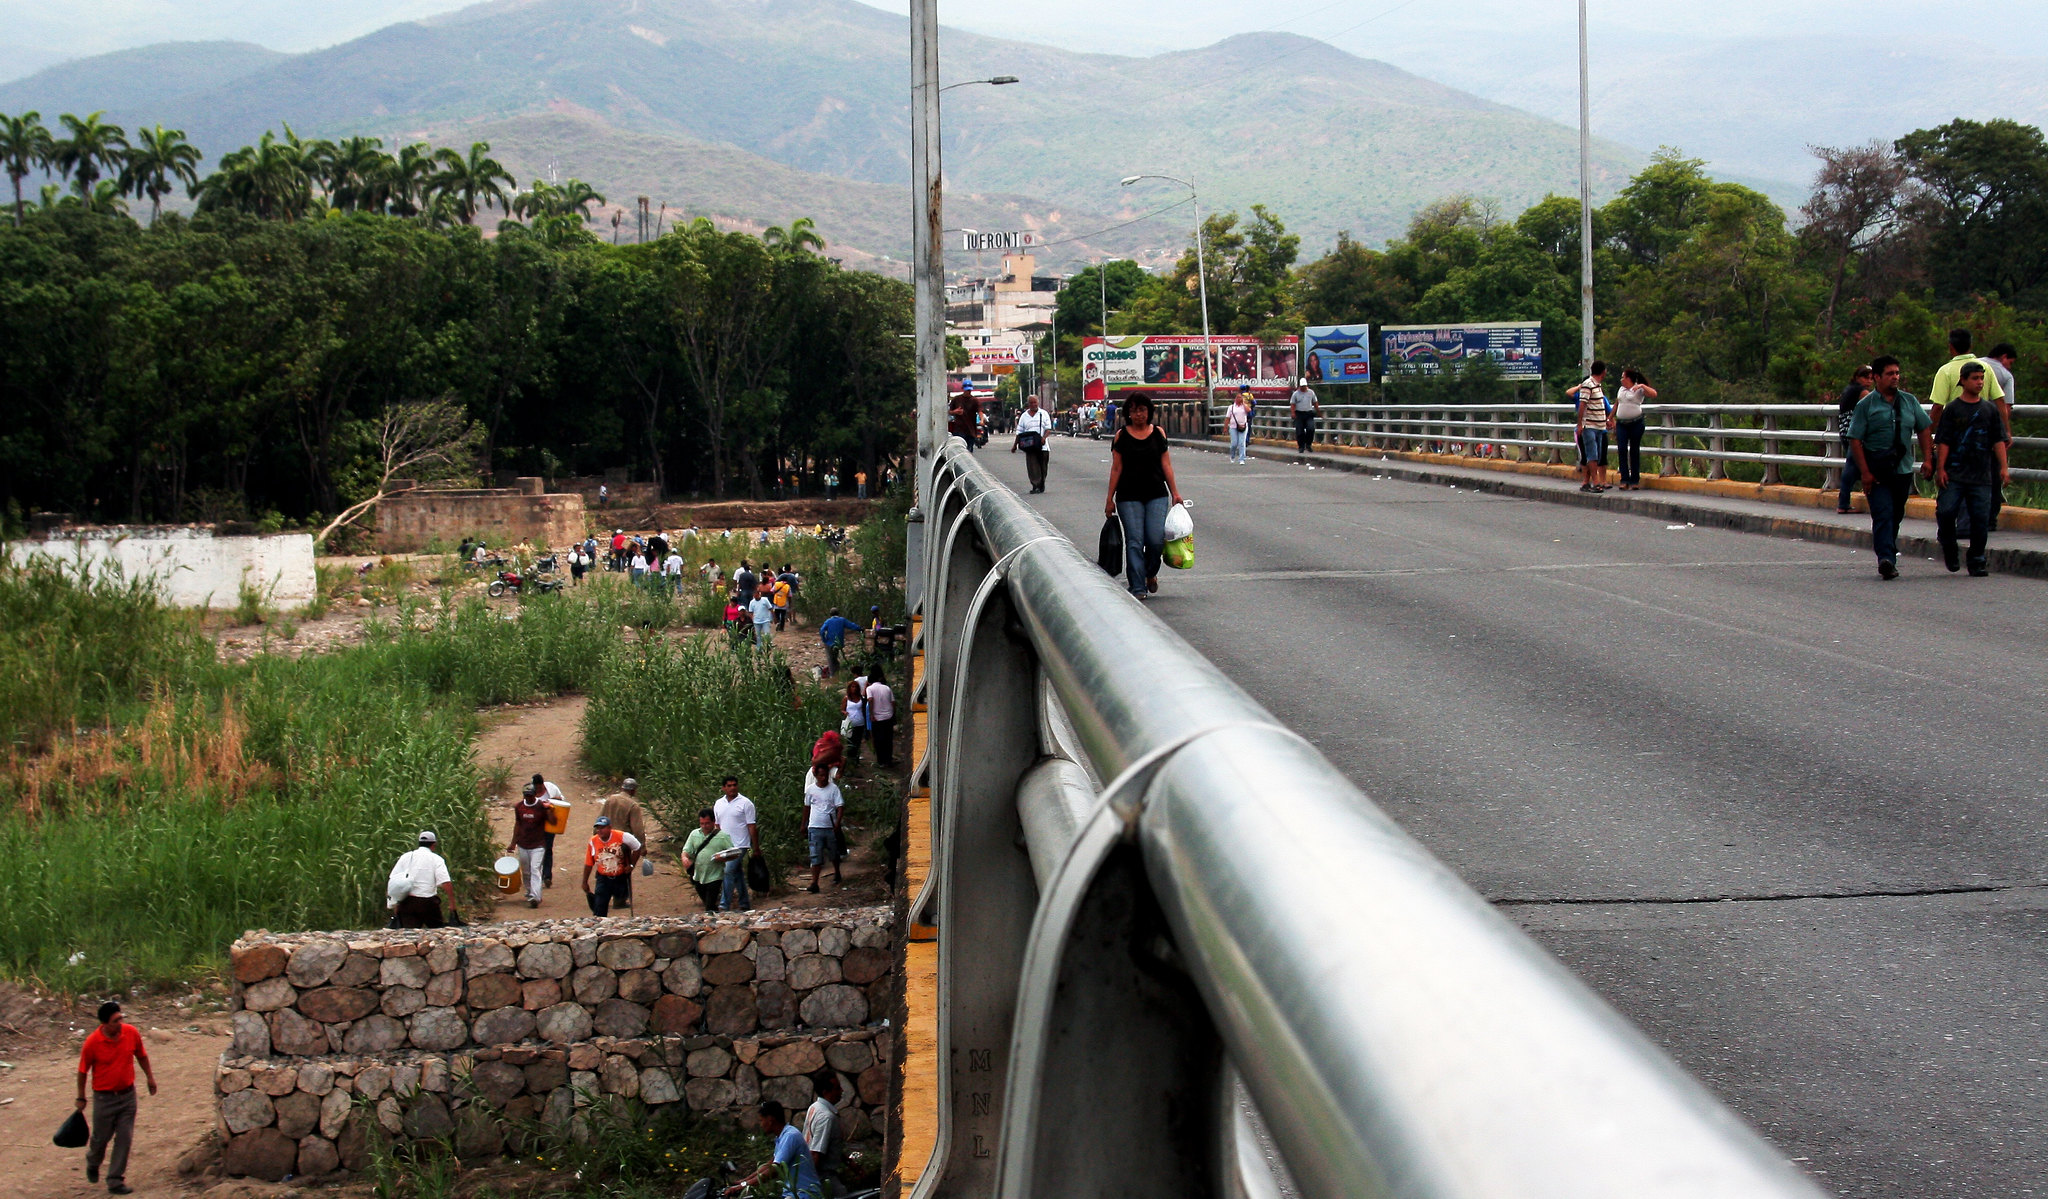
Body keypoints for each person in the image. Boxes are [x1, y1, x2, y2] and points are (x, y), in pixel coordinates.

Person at [1846, 355, 1934, 580]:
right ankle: (1886, 558)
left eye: (1897, 373)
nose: (1895, 377)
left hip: (1902, 470)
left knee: (1896, 514)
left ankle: (1888, 550)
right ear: (1876, 377)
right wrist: (1864, 472)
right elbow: (1855, 439)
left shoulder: (1909, 401)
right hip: (1876, 470)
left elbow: (1924, 428)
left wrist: (1928, 458)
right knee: (1883, 513)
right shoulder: (1866, 405)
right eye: (1889, 374)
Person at [1102, 393, 1185, 600]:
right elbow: (1116, 468)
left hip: (1156, 494)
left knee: (1156, 540)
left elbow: (1166, 464)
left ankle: (1150, 572)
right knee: (1135, 541)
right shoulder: (1122, 435)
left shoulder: (1158, 433)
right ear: (1128, 413)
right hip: (1128, 496)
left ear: (1149, 412)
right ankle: (1138, 586)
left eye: (1142, 410)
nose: (1138, 414)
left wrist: (1175, 492)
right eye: (1133, 410)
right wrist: (1109, 498)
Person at [1933, 362, 2011, 577]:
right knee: (1946, 511)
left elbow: (1998, 440)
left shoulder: (1989, 410)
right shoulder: (1953, 409)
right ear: (1963, 381)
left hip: (1981, 474)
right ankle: (1949, 547)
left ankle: (1977, 560)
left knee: (1980, 518)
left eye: (1981, 378)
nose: (1979, 382)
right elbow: (1944, 441)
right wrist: (1940, 468)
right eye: (1974, 378)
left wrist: (2003, 468)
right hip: (1955, 473)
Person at [76, 999, 155, 1194]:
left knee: (125, 1138)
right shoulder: (92, 1043)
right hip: (104, 1099)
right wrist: (81, 1097)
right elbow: (83, 1071)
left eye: (121, 1018)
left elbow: (142, 1056)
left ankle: (115, 1180)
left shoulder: (131, 1033)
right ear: (104, 1023)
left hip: (128, 1096)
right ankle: (93, 1162)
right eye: (115, 1021)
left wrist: (150, 1078)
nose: (120, 1023)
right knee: (101, 1138)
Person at [726, 1100, 823, 1199]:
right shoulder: (782, 1136)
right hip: (792, 1193)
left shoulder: (790, 1136)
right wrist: (742, 1182)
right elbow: (770, 1164)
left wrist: (742, 1186)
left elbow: (773, 1170)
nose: (760, 1125)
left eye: (761, 1120)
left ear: (770, 1119)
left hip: (804, 1194)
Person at [1926, 328, 2005, 431]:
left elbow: (1938, 407)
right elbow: (2000, 400)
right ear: (1970, 345)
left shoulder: (1945, 371)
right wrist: (2005, 431)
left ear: (1951, 346)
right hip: (1982, 431)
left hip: (1955, 432)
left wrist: (1929, 433)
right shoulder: (1985, 368)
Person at [598, 778, 653, 908]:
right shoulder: (633, 805)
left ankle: (603, 896)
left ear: (622, 788)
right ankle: (620, 899)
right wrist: (642, 846)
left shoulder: (610, 800)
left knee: (606, 867)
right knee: (624, 870)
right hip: (623, 841)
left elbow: (600, 819)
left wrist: (596, 836)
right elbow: (637, 828)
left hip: (606, 839)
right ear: (633, 790)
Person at [387, 831, 454, 928]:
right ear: (433, 845)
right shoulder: (436, 859)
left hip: (407, 903)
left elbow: (393, 881)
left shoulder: (406, 857)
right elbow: (446, 883)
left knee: (409, 934)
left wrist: (396, 904)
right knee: (437, 932)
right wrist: (452, 905)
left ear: (419, 843)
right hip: (428, 904)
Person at [580, 815, 642, 917]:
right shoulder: (593, 841)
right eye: (598, 828)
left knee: (621, 900)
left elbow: (637, 847)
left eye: (602, 828)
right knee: (599, 906)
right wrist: (584, 882)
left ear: (609, 827)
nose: (600, 831)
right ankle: (599, 926)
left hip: (620, 876)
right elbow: (588, 863)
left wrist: (631, 865)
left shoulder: (622, 836)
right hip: (603, 878)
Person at [714, 776, 759, 911]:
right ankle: (744, 903)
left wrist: (756, 847)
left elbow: (751, 826)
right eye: (729, 785)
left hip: (740, 844)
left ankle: (724, 904)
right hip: (725, 845)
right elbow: (717, 825)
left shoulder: (746, 803)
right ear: (724, 788)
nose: (732, 788)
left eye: (734, 785)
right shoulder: (718, 804)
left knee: (728, 871)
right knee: (737, 873)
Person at [1835, 365, 1875, 513]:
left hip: (1845, 429)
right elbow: (1874, 405)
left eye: (1871, 378)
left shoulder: (1849, 389)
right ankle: (1843, 503)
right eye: (1866, 377)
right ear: (1858, 377)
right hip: (1856, 432)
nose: (1869, 381)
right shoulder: (1860, 391)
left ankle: (1845, 501)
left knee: (1854, 465)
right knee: (1853, 465)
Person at [802, 760, 844, 893]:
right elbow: (806, 808)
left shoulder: (833, 789)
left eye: (825, 775)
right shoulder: (810, 790)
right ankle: (815, 882)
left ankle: (837, 872)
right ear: (816, 775)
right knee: (815, 856)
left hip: (830, 827)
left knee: (833, 853)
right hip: (814, 827)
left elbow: (840, 807)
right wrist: (804, 824)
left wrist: (837, 823)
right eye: (821, 775)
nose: (823, 778)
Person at [681, 808, 735, 912]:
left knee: (710, 904)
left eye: (707, 823)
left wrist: (723, 857)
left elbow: (733, 853)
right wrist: (685, 858)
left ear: (713, 822)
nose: (704, 826)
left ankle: (712, 922)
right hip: (698, 875)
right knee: (707, 903)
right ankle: (716, 918)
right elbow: (686, 850)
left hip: (715, 875)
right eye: (702, 823)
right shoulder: (694, 834)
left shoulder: (723, 836)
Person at [1609, 368, 1655, 490]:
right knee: (1622, 449)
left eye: (1623, 377)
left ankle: (1635, 480)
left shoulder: (1638, 389)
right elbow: (1617, 403)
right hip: (1621, 424)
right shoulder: (1621, 389)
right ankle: (1624, 479)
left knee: (1634, 450)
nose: (1621, 379)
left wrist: (1641, 386)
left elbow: (1653, 394)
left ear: (1629, 378)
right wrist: (1610, 417)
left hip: (1636, 423)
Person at [1569, 361, 1612, 492]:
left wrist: (1607, 421)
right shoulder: (1588, 384)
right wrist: (1580, 424)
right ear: (1603, 371)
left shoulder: (1597, 386)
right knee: (1592, 454)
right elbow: (1582, 404)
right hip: (1590, 425)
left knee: (1596, 455)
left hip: (1599, 426)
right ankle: (1596, 482)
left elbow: (1601, 406)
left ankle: (1589, 482)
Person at [508, 782, 550, 908]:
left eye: (531, 795)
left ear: (534, 794)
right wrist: (513, 843)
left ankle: (536, 897)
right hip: (523, 844)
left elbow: (553, 821)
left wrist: (549, 810)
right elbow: (518, 825)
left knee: (535, 869)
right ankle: (530, 891)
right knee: (526, 871)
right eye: (526, 796)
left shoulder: (541, 806)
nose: (529, 798)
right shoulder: (519, 807)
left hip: (538, 844)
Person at [804, 1072, 845, 1193]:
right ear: (825, 1092)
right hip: (823, 1176)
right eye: (837, 1088)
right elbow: (816, 1153)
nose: (841, 1091)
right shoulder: (826, 1117)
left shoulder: (815, 1107)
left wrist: (848, 1162)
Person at [1013, 393, 1053, 492]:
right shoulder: (1024, 416)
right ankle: (1035, 485)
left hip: (1042, 446)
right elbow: (1019, 432)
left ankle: (1041, 483)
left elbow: (1048, 429)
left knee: (1043, 467)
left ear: (1038, 403)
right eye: (1031, 403)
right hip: (1029, 445)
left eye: (1035, 402)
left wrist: (1044, 438)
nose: (1033, 404)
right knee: (1032, 467)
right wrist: (1015, 445)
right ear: (1028, 404)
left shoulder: (1043, 414)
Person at [533, 772, 566, 884]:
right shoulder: (530, 793)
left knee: (547, 849)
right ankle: (537, 874)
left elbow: (561, 801)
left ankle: (547, 876)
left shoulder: (551, 788)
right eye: (536, 788)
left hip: (550, 823)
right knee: (536, 850)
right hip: (536, 825)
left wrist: (553, 800)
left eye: (540, 787)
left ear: (543, 784)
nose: (538, 790)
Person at [865, 664, 897, 767]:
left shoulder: (869, 689)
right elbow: (893, 702)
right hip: (888, 716)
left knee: (879, 740)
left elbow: (870, 700)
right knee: (888, 740)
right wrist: (893, 714)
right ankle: (888, 760)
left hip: (877, 719)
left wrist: (871, 714)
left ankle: (881, 761)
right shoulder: (887, 688)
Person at [818, 607, 859, 679]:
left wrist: (824, 640)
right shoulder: (842, 620)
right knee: (835, 657)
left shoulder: (828, 621)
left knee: (830, 659)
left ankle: (833, 675)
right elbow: (852, 625)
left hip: (829, 642)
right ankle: (837, 672)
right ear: (838, 613)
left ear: (830, 614)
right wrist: (860, 629)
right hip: (839, 643)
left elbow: (822, 631)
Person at [843, 676, 869, 766]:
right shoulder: (846, 698)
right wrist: (845, 712)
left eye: (855, 687)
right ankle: (850, 760)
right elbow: (842, 709)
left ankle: (856, 760)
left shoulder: (861, 698)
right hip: (850, 723)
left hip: (860, 722)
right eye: (852, 687)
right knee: (850, 742)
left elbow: (864, 710)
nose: (854, 689)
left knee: (857, 742)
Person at [1289, 378, 1320, 453]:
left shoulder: (1311, 392)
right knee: (1300, 431)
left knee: (1311, 429)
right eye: (1302, 386)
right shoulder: (1296, 394)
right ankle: (1301, 446)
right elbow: (1292, 404)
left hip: (1308, 413)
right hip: (1299, 414)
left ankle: (1308, 444)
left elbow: (1315, 402)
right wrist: (1293, 413)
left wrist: (1318, 411)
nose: (1303, 388)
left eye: (1304, 386)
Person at [949, 386, 981, 453]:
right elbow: (948, 412)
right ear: (963, 389)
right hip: (959, 430)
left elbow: (980, 411)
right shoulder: (956, 399)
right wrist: (955, 412)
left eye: (969, 390)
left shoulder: (974, 400)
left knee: (969, 451)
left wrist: (982, 419)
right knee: (959, 451)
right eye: (967, 390)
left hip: (971, 430)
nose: (968, 392)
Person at [1226, 387, 1253, 464]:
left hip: (1243, 426)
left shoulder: (1244, 406)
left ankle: (1242, 459)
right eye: (1238, 397)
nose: (1239, 399)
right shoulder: (1231, 407)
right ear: (1235, 399)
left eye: (1240, 397)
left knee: (1242, 443)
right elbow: (1227, 418)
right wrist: (1225, 427)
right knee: (1234, 443)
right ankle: (1232, 455)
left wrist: (1243, 403)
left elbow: (1248, 410)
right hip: (1233, 427)